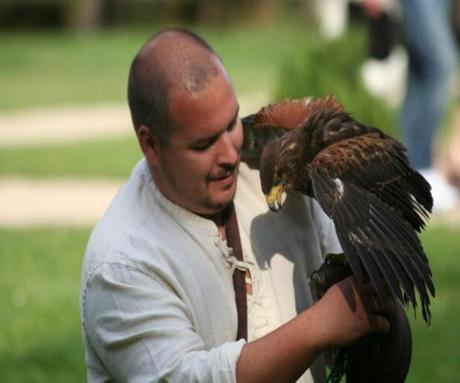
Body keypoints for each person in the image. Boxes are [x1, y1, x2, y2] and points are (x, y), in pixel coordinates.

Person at [80, 28, 390, 382]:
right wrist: (321, 325)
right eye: (204, 144)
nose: (230, 154)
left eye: (231, 125)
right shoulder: (122, 264)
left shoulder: (277, 169)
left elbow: (356, 274)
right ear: (151, 145)